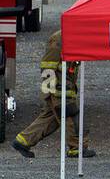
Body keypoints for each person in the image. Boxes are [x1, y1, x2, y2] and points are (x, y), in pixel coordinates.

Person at [12, 29, 95, 159]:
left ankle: (23, 141)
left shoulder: (74, 36)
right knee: (70, 115)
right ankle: (77, 148)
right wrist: (53, 90)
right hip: (59, 88)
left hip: (64, 87)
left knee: (51, 118)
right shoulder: (58, 39)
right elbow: (47, 66)